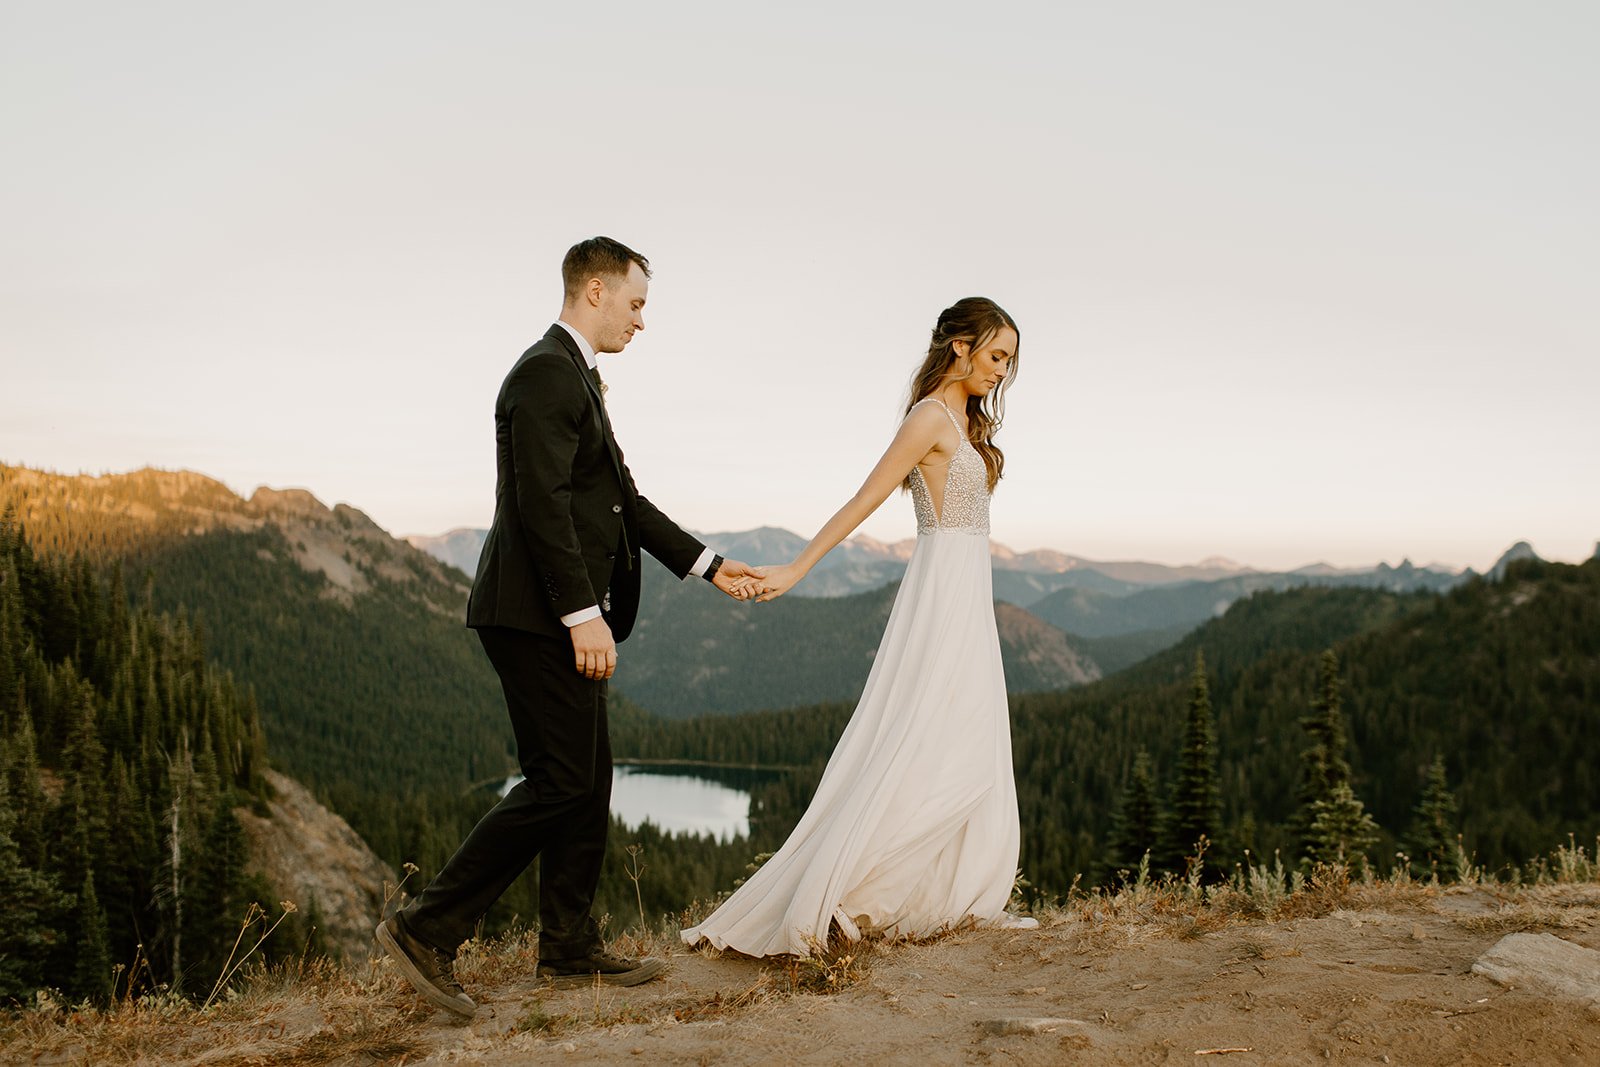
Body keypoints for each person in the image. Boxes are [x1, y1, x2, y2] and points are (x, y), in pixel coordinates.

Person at [378, 237, 763, 1015]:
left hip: (551, 611)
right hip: (533, 614)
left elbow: (624, 498)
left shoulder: (575, 377)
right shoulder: (545, 374)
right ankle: (428, 926)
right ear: (595, 288)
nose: (642, 320)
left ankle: (569, 942)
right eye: (637, 302)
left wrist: (711, 565)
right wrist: (582, 616)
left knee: (587, 780)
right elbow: (540, 503)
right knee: (560, 780)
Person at [682, 296, 1033, 957]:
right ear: (960, 346)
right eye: (995, 356)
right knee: (923, 734)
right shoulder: (930, 417)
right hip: (940, 589)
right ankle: (855, 894)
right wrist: (798, 567)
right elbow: (865, 497)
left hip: (969, 587)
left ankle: (950, 893)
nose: (1002, 371)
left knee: (971, 735)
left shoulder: (967, 420)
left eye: (1009, 361)